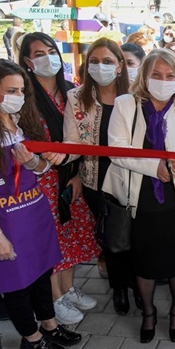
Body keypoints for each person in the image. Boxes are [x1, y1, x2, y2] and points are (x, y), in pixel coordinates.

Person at [0, 59, 82, 349]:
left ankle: (49, 324)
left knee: (40, 272)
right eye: (11, 90)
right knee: (16, 282)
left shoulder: (19, 122)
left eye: (21, 90)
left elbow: (39, 169)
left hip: (34, 212)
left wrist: (32, 161)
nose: (19, 96)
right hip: (6, 221)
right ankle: (31, 338)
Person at [102, 49, 175, 343]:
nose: (163, 80)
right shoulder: (125, 104)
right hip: (139, 198)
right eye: (156, 75)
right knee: (144, 261)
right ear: (145, 77)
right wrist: (153, 165)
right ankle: (148, 312)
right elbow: (116, 150)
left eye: (170, 75)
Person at [18, 33, 101, 325]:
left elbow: (83, 139)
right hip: (41, 180)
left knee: (72, 235)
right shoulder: (25, 98)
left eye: (51, 51)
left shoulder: (73, 91)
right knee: (52, 239)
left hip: (70, 176)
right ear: (28, 62)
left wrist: (77, 174)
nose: (46, 58)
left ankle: (68, 289)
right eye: (38, 53)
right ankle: (55, 299)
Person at [62, 38, 134, 316]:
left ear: (119, 66)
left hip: (134, 177)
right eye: (94, 61)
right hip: (96, 179)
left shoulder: (135, 95)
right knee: (114, 239)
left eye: (107, 61)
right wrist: (54, 158)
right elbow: (70, 142)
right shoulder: (76, 98)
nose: (100, 66)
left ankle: (140, 284)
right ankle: (119, 289)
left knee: (136, 235)